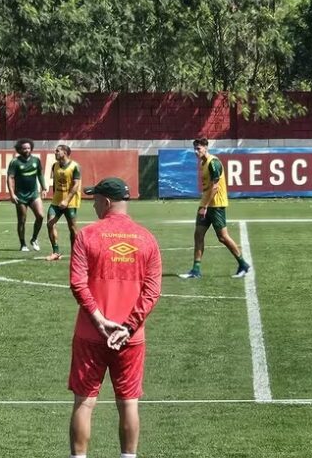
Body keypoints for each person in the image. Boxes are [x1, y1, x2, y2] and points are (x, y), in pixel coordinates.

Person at [68, 177, 161, 458]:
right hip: (131, 338)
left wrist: (98, 319)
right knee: (129, 403)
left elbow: (77, 283)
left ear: (106, 202)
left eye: (95, 199)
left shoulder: (87, 235)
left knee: (84, 403)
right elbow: (152, 290)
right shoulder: (147, 238)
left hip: (90, 335)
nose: (93, 203)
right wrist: (130, 326)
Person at [180, 138, 251, 279]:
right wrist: (203, 204)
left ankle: (243, 264)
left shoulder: (214, 163)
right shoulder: (202, 163)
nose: (196, 151)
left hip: (216, 205)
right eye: (194, 149)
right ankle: (196, 270)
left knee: (223, 237)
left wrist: (205, 206)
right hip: (205, 204)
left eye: (198, 148)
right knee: (198, 235)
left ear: (206, 148)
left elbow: (215, 187)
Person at [6, 138, 46, 251]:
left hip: (34, 194)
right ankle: (23, 244)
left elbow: (40, 175)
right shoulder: (15, 162)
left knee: (41, 216)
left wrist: (44, 188)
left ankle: (34, 239)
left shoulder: (36, 160)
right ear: (19, 150)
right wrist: (12, 194)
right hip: (20, 196)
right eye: (24, 148)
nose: (27, 150)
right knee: (22, 220)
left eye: (29, 148)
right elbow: (10, 178)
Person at [45, 144, 81, 261]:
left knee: (72, 228)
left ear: (64, 153)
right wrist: (55, 196)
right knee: (50, 223)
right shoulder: (54, 166)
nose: (55, 153)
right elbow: (55, 183)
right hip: (56, 201)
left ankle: (75, 253)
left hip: (70, 202)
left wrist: (66, 200)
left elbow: (76, 186)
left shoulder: (75, 166)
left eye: (57, 151)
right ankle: (55, 252)